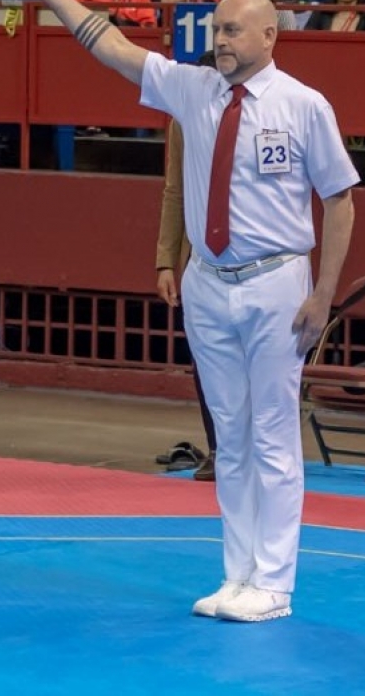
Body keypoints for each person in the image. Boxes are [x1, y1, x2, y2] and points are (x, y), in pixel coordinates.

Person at [0, 0, 358, 623]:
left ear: (269, 35)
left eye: (230, 30)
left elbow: (340, 199)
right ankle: (237, 573)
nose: (217, 39)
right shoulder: (193, 91)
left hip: (279, 281)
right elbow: (113, 48)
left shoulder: (305, 104)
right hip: (209, 283)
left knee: (273, 434)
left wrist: (324, 293)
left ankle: (274, 583)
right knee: (230, 432)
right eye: (215, 29)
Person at [156, 112, 218, 482]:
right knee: (205, 361)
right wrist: (165, 262)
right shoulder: (183, 120)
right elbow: (174, 190)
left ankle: (258, 450)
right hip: (198, 260)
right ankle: (218, 450)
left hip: (254, 261)